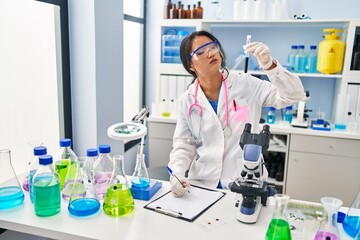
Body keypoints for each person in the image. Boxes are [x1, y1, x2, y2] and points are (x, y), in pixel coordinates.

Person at [168, 30, 304, 197]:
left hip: (246, 179)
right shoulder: (187, 100)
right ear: (190, 65)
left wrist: (270, 66)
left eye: (212, 47)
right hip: (202, 183)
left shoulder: (246, 84)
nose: (210, 53)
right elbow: (184, 145)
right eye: (201, 52)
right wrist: (177, 173)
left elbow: (293, 95)